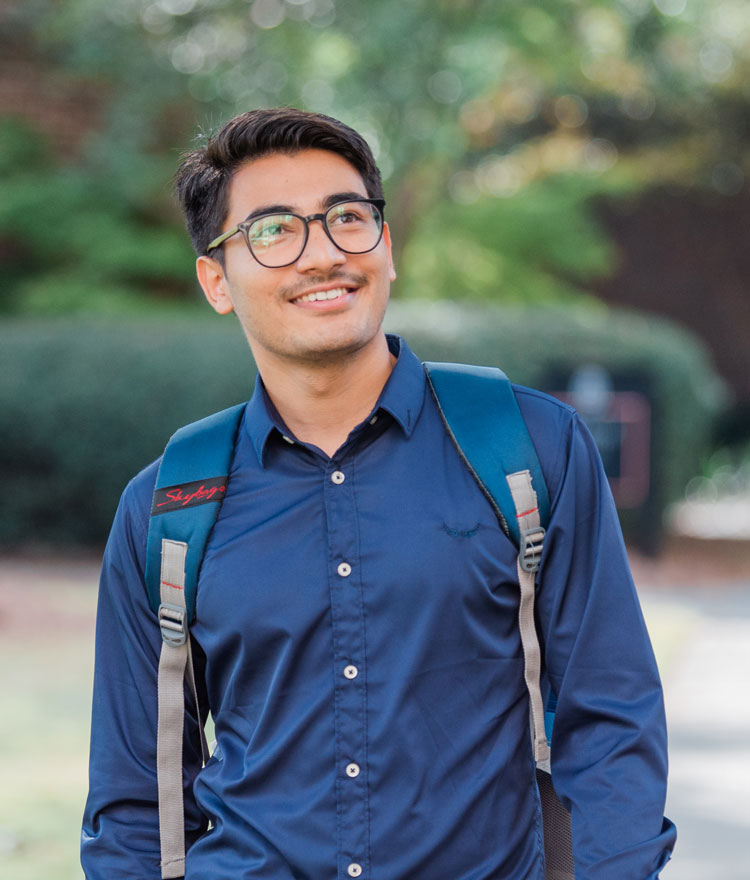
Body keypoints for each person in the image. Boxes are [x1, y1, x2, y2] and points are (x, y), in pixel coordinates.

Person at [81, 108, 676, 879]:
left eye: (347, 218)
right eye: (272, 231)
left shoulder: (530, 450)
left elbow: (612, 715)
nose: (321, 253)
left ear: (386, 249)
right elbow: (137, 798)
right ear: (215, 280)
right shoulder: (168, 506)